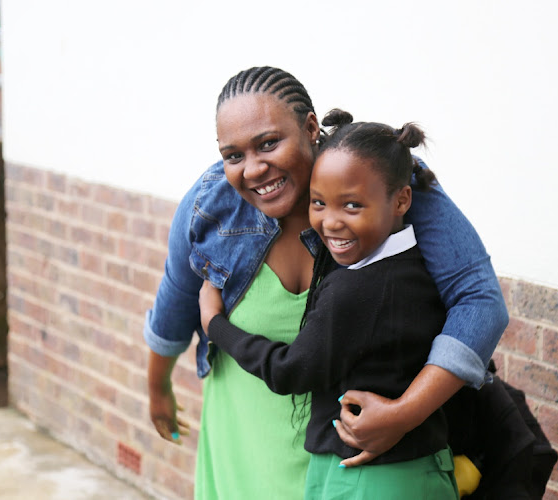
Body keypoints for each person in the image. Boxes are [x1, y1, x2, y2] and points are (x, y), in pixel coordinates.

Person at [144, 66, 509, 499]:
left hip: (359, 464)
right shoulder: (213, 201)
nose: (254, 169)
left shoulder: (381, 175)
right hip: (243, 441)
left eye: (269, 143)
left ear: (311, 127)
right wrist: (158, 388)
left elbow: (480, 301)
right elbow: (177, 299)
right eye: (233, 154)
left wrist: (404, 415)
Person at [198, 109, 459, 499]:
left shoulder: (358, 288)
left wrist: (215, 323)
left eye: (352, 205)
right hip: (397, 467)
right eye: (318, 203)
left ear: (402, 199)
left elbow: (290, 371)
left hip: (373, 480)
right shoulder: (415, 266)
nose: (331, 223)